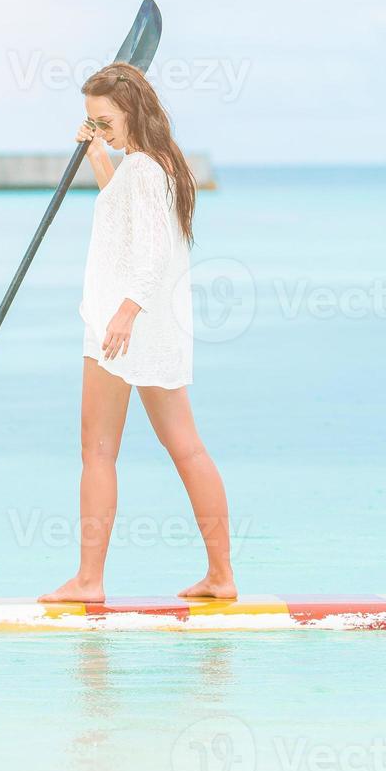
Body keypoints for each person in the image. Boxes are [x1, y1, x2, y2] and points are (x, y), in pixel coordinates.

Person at [39, 62, 236, 603]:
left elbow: (147, 257)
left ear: (132, 111)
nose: (99, 130)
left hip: (120, 325)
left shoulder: (146, 170)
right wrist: (98, 153)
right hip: (158, 327)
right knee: (187, 449)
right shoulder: (156, 165)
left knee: (98, 451)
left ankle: (88, 581)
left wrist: (124, 314)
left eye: (105, 122)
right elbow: (122, 209)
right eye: (90, 123)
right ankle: (222, 576)